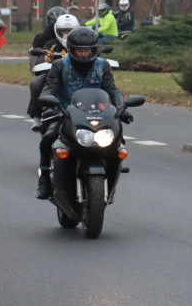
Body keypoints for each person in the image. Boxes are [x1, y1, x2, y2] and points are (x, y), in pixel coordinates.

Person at [35, 26, 131, 199]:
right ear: (71, 50)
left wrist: (121, 108)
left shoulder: (103, 65)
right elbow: (50, 89)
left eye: (87, 50)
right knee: (48, 139)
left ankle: (111, 177)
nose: (84, 54)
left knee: (118, 141)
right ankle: (44, 181)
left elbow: (112, 89)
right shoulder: (59, 65)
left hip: (98, 115)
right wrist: (48, 105)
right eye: (80, 50)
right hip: (66, 114)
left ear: (94, 50)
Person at [27, 13, 79, 132]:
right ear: (57, 30)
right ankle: (37, 116)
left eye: (69, 31)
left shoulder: (82, 44)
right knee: (37, 83)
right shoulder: (51, 44)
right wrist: (44, 64)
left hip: (81, 76)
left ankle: (109, 114)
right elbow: (44, 56)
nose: (66, 34)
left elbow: (95, 57)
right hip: (55, 77)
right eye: (63, 31)